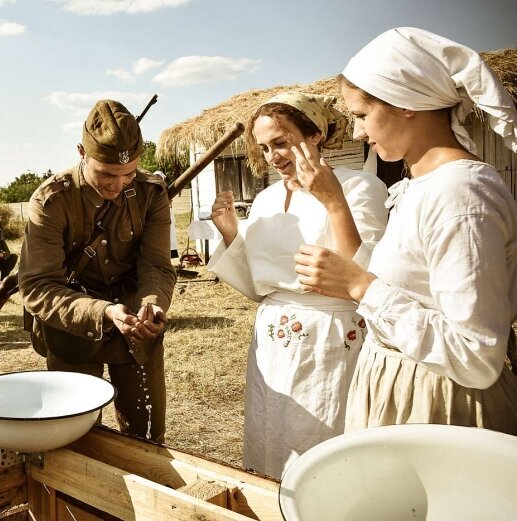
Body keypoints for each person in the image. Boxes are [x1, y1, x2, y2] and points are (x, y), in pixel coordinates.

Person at [294, 27, 517, 434]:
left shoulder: (459, 194)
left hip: (439, 404)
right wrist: (347, 276)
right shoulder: (421, 183)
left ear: (405, 104)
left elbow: (475, 356)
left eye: (362, 115)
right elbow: (413, 285)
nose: (359, 133)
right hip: (405, 386)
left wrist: (362, 287)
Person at [208, 92, 388, 478]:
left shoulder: (360, 187)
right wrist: (230, 237)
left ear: (316, 135)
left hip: (332, 337)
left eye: (281, 142)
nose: (273, 156)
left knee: (325, 439)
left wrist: (333, 201)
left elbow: (370, 274)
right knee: (272, 433)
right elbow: (260, 286)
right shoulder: (267, 199)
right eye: (265, 147)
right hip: (274, 340)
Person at [19, 99, 176, 442]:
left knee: (146, 438)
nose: (117, 185)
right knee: (75, 438)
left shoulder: (151, 193)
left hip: (136, 328)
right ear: (81, 152)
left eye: (129, 174)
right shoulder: (51, 201)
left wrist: (152, 303)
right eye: (106, 174)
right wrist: (102, 312)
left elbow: (157, 266)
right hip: (71, 328)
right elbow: (37, 286)